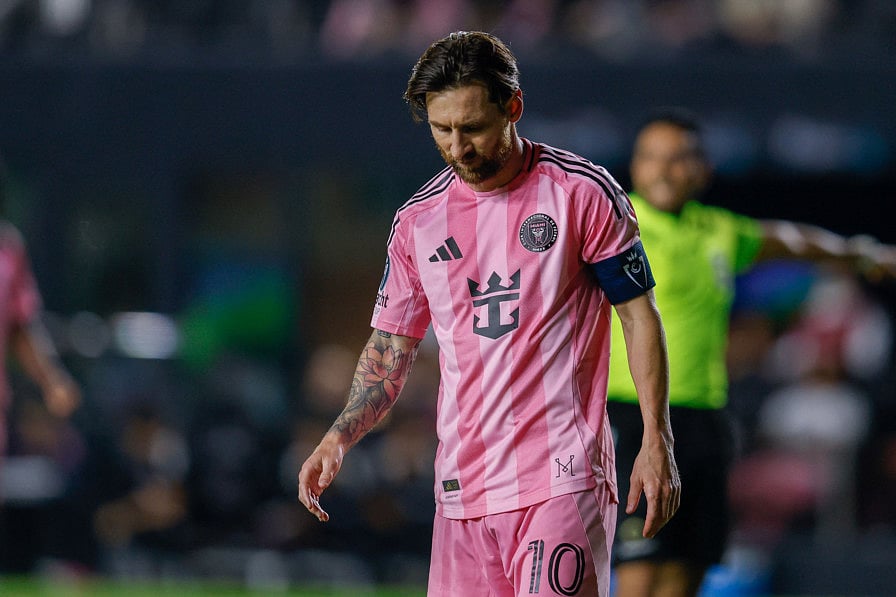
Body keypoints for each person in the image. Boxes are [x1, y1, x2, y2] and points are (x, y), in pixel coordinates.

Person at [298, 31, 680, 596]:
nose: (458, 147)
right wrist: (338, 437)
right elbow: (391, 348)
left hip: (561, 478)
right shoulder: (417, 222)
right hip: (461, 491)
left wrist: (656, 438)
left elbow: (638, 315)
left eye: (472, 127)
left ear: (513, 108)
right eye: (441, 130)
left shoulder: (580, 194)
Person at [606, 107, 896, 597]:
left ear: (702, 170)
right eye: (650, 157)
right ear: (635, 166)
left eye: (677, 158)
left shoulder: (719, 231)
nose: (662, 169)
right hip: (632, 415)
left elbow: (792, 242)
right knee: (640, 568)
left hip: (704, 419)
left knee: (687, 570)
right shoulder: (615, 226)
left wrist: (861, 254)